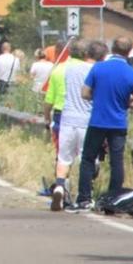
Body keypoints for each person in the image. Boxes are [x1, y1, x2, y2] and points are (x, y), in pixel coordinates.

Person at [73, 36, 133, 212]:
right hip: (118, 124)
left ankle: (84, 197)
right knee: (116, 161)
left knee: (88, 159)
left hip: (98, 121)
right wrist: (125, 102)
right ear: (129, 51)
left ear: (112, 49)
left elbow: (85, 93)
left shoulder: (98, 68)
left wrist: (99, 97)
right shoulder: (132, 74)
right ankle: (113, 198)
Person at [50, 40, 104, 211]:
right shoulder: (93, 70)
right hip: (86, 120)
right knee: (87, 160)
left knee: (63, 158)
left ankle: (60, 187)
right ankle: (86, 195)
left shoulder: (68, 69)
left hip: (67, 119)